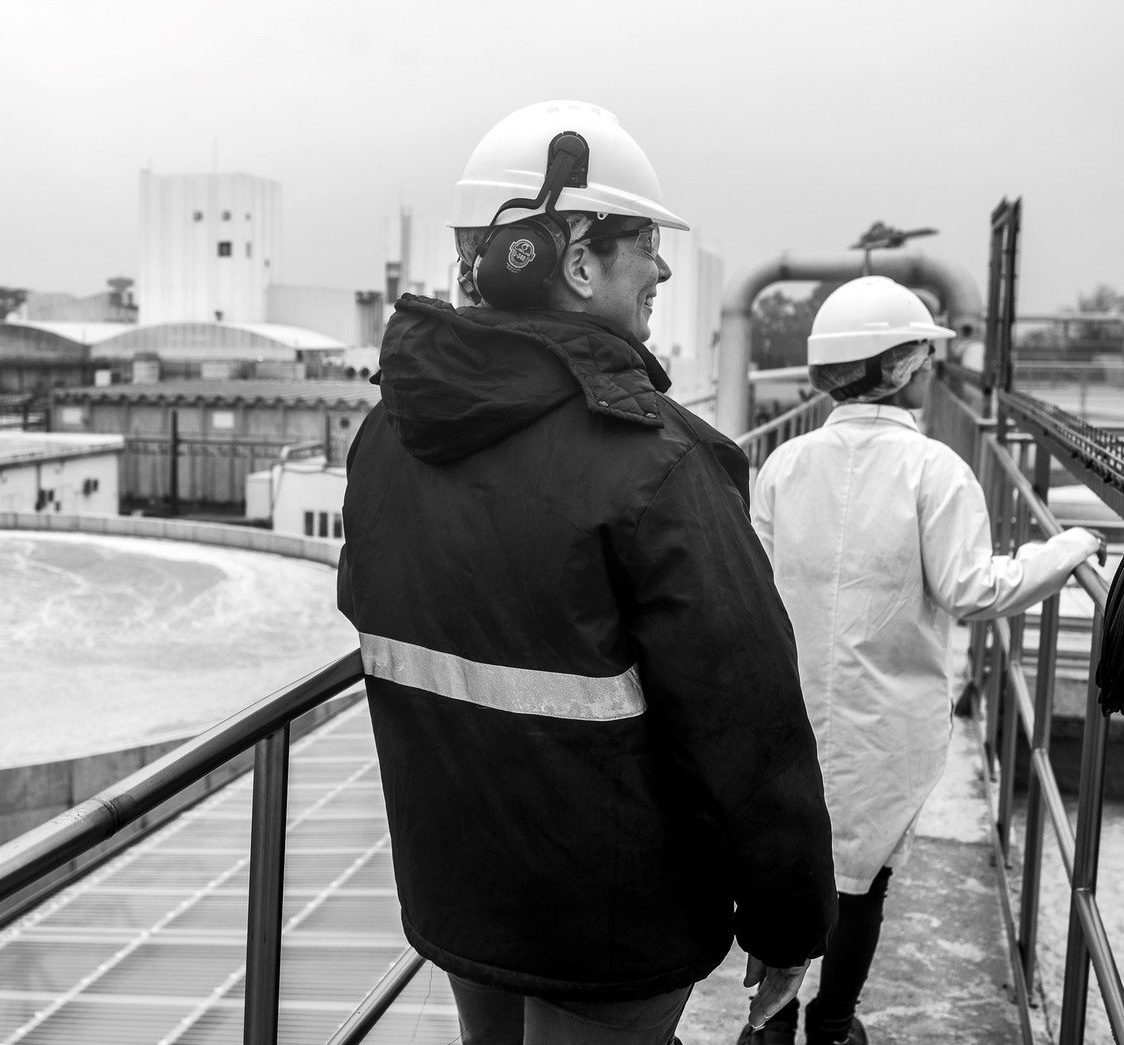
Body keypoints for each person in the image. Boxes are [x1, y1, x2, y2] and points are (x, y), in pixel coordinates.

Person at [336, 99, 836, 1045]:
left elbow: (380, 614)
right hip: (609, 929)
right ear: (572, 261)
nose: (659, 265)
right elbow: (746, 721)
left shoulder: (386, 437)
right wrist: (788, 921)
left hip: (460, 897)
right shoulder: (657, 465)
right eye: (641, 240)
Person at [749, 275, 1102, 1045]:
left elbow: (757, 587)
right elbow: (973, 588)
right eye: (924, 357)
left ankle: (767, 1021)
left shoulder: (782, 465)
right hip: (886, 723)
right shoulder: (934, 469)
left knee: (784, 865)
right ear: (902, 366)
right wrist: (1066, 548)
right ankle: (832, 1022)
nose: (933, 370)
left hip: (789, 708)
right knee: (861, 881)